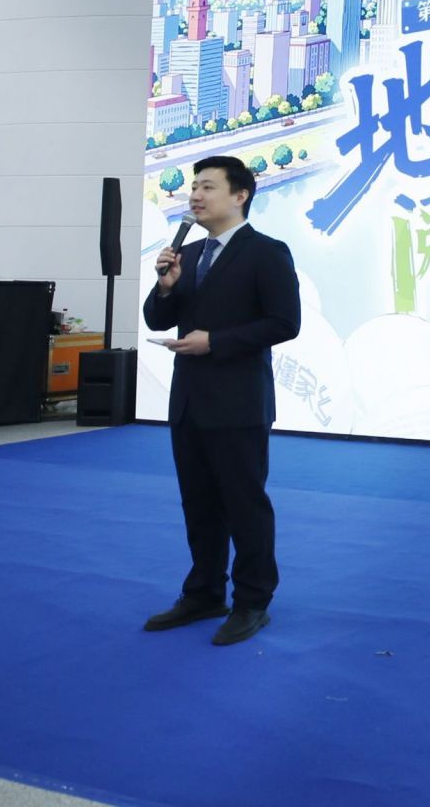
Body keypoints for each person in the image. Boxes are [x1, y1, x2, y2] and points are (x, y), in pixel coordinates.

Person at [141, 156, 299, 646]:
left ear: (240, 195)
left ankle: (253, 601)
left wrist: (216, 342)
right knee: (199, 504)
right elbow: (156, 319)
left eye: (207, 187)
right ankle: (205, 593)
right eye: (194, 187)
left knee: (244, 505)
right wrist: (166, 287)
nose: (195, 195)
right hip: (189, 401)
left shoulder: (266, 252)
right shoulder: (189, 253)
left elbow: (284, 323)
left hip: (238, 402)